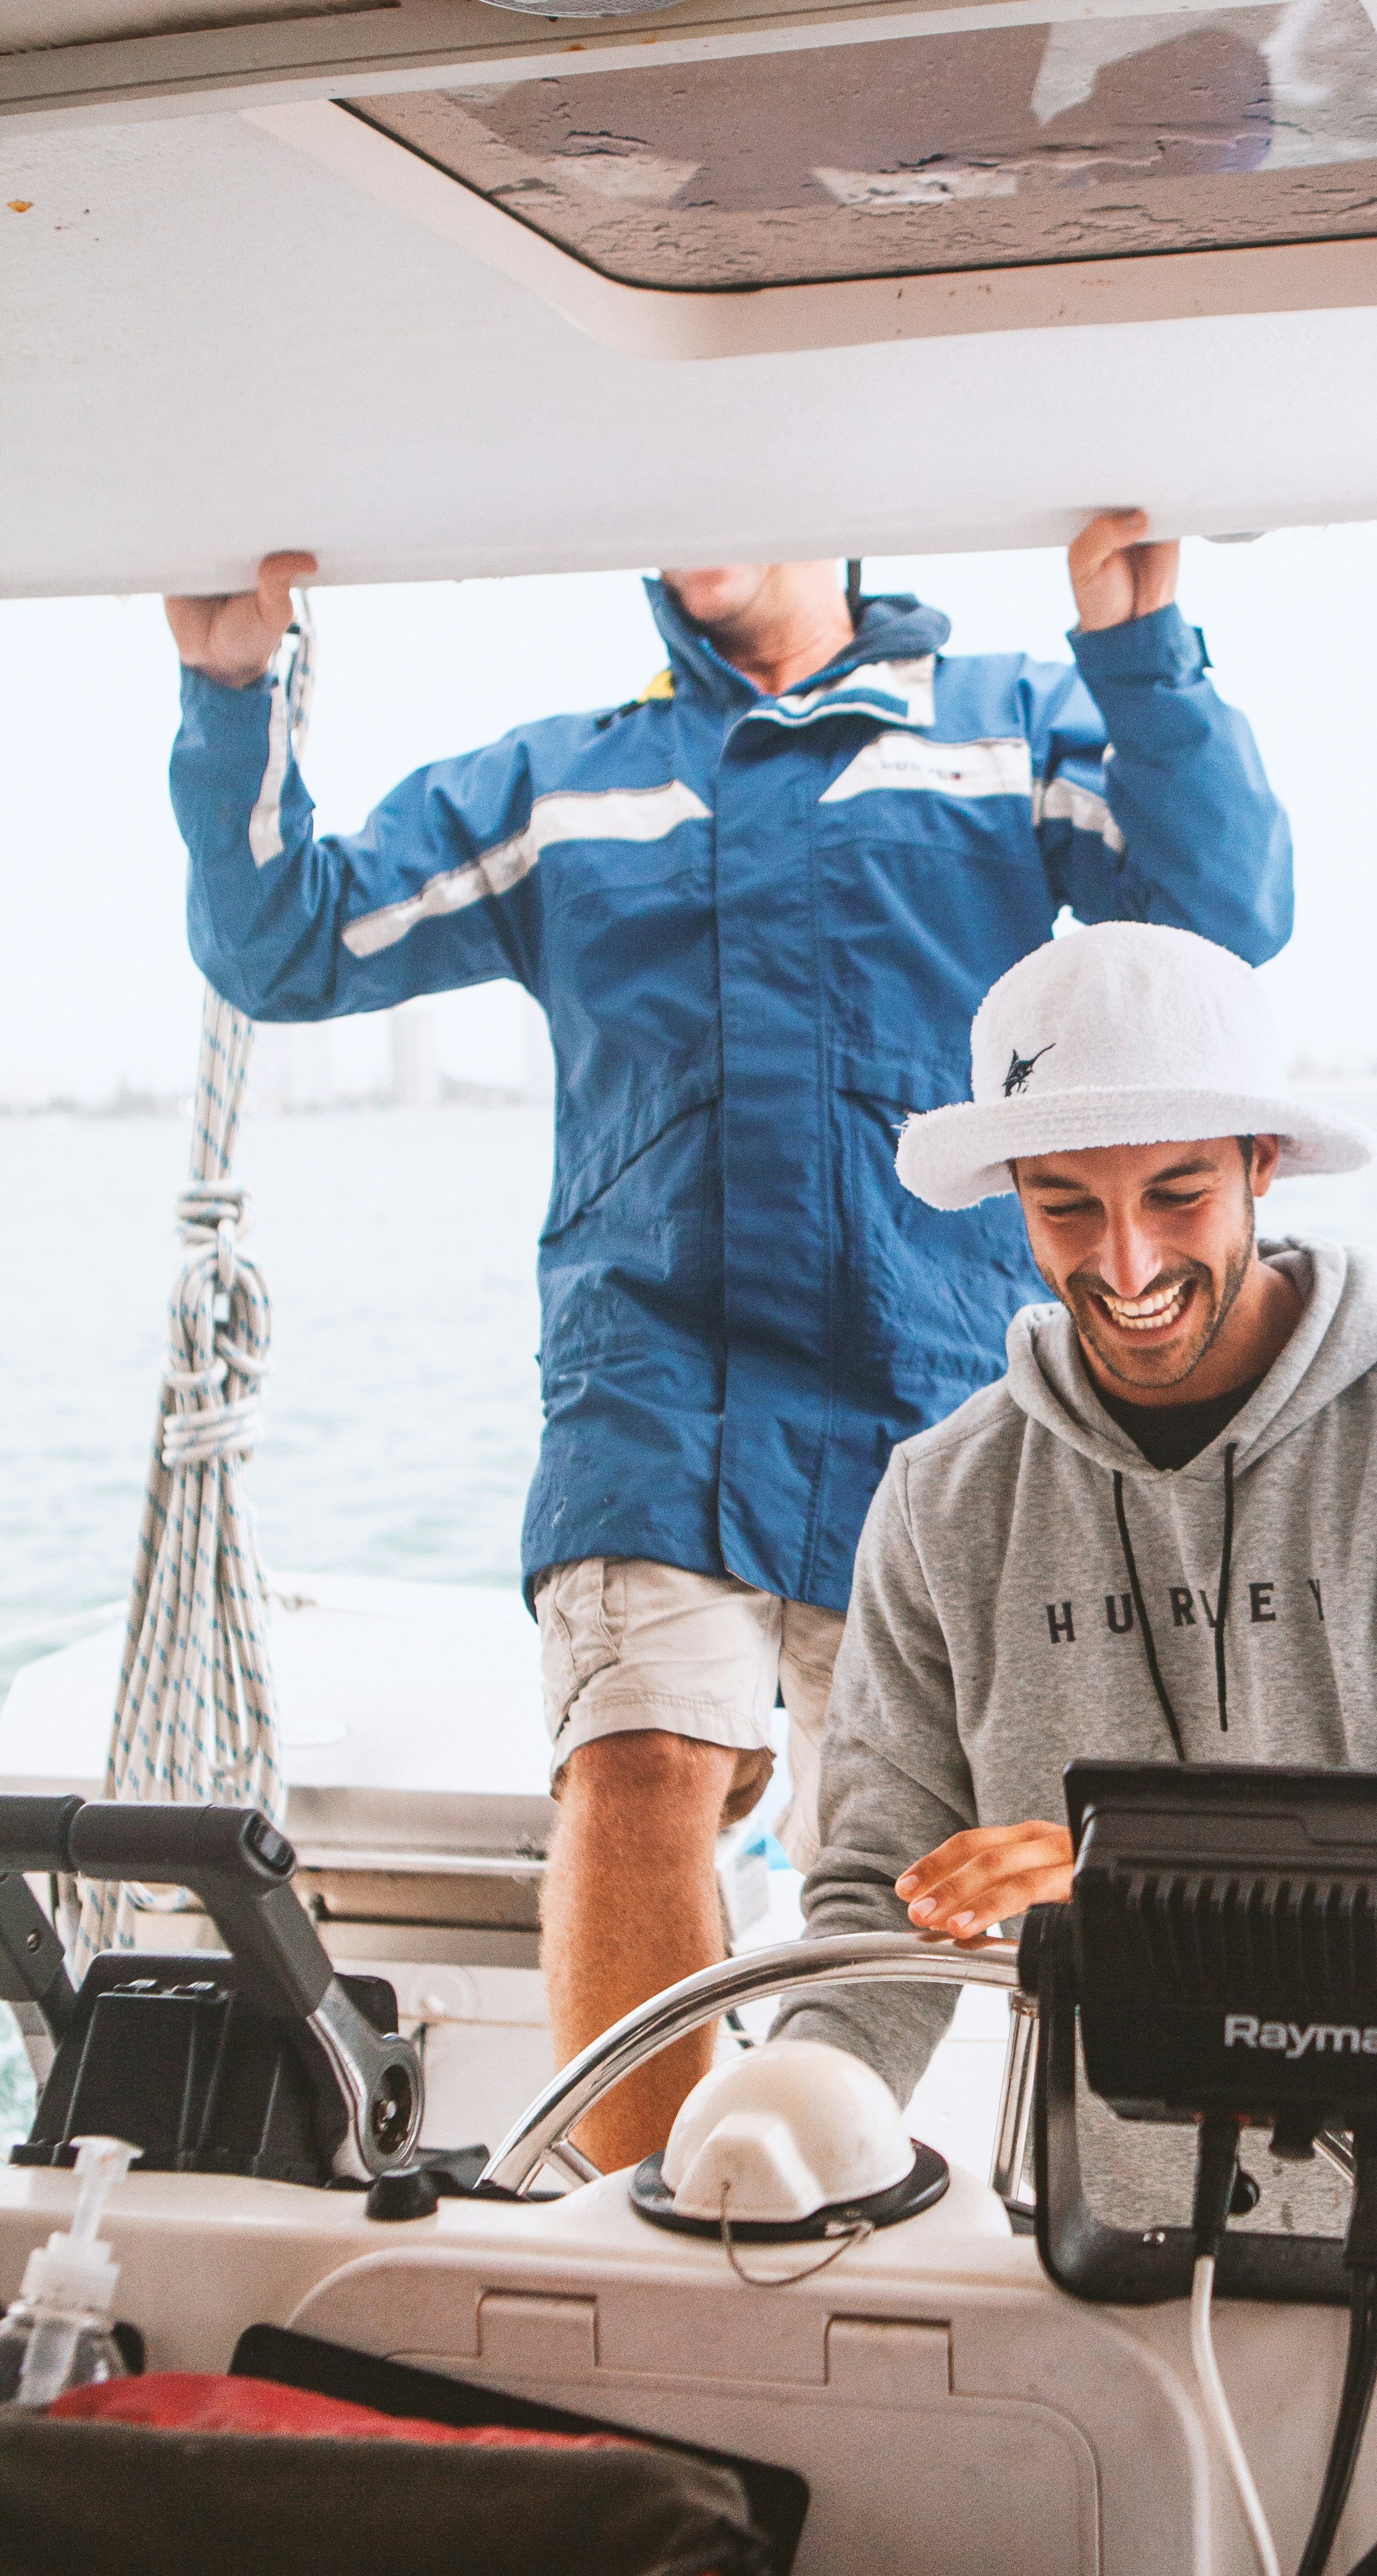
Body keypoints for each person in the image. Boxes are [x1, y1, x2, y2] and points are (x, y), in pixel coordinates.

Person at [164, 524, 1292, 2168]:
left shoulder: (1003, 724)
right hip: (652, 1387)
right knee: (636, 1766)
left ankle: (985, 2205)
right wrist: (230, 690)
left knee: (938, 1845)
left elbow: (1219, 913)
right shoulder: (565, 784)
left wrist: (1142, 649)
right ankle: (653, 2242)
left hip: (933, 1387)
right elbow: (284, 943)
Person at [790, 922, 1377, 2247]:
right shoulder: (938, 1497)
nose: (1124, 1266)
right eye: (1067, 1204)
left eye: (1178, 1194)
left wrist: (1129, 1889)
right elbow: (877, 1902)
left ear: (1264, 1164)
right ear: (1013, 1192)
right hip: (1120, 2238)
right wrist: (786, 2121)